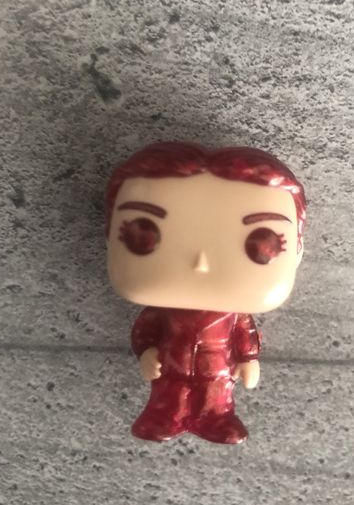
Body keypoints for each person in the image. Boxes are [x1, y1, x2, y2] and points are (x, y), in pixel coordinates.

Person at [105, 141, 306, 444]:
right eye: (142, 234)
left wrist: (248, 358)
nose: (201, 263)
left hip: (218, 366)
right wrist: (146, 352)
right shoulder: (162, 311)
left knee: (216, 395)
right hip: (172, 362)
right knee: (169, 394)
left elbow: (245, 332)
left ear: (298, 250)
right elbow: (146, 329)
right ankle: (165, 417)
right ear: (108, 236)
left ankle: (217, 417)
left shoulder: (235, 314)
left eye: (263, 242)